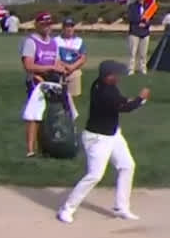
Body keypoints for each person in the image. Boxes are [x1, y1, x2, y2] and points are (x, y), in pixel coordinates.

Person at [56, 60, 149, 223]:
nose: (118, 77)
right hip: (97, 139)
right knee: (95, 175)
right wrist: (141, 99)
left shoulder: (104, 85)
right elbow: (124, 108)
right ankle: (67, 208)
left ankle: (121, 207)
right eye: (115, 74)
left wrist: (131, 99)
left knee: (127, 166)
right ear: (107, 76)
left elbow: (120, 100)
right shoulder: (104, 93)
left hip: (113, 135)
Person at [20, 12, 68, 157]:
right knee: (34, 115)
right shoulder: (31, 42)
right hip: (36, 82)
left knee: (52, 115)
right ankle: (30, 150)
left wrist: (62, 69)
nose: (47, 27)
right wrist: (49, 68)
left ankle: (47, 147)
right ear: (37, 25)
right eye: (43, 24)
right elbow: (28, 65)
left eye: (49, 24)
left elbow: (56, 62)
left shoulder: (53, 43)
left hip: (52, 82)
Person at [56, 16, 88, 117]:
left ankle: (72, 116)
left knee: (74, 96)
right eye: (67, 26)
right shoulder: (56, 40)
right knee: (59, 96)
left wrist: (72, 67)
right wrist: (66, 66)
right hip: (60, 71)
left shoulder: (79, 41)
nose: (69, 29)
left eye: (71, 26)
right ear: (63, 28)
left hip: (75, 71)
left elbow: (83, 58)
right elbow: (54, 58)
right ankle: (62, 114)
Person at [126, 0, 155, 74]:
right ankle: (131, 69)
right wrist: (141, 20)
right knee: (132, 53)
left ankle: (143, 69)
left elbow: (151, 19)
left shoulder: (148, 7)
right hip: (134, 32)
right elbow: (131, 18)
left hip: (145, 33)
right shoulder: (132, 6)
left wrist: (145, 23)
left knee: (143, 53)